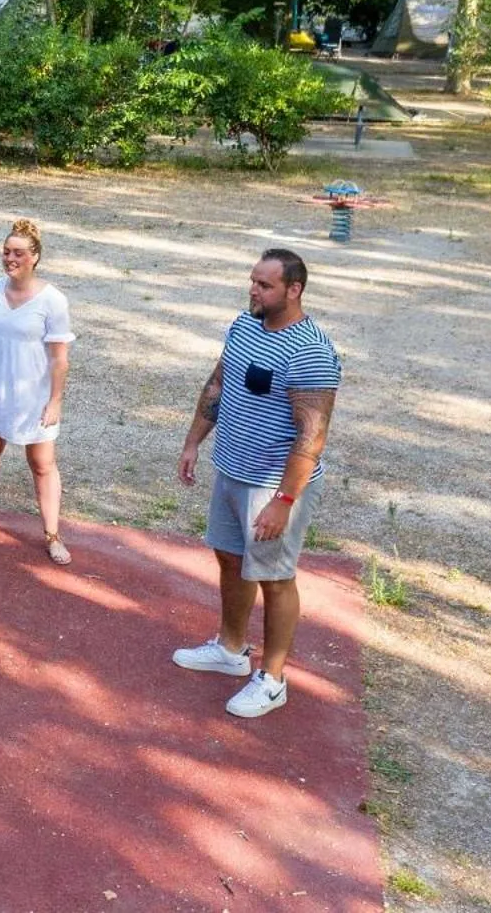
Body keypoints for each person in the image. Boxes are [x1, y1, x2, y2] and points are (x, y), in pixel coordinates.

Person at [174, 248, 341, 719]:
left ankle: (272, 679)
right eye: (252, 281)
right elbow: (218, 385)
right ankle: (230, 649)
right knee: (229, 559)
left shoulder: (310, 353)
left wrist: (285, 500)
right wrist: (193, 443)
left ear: (294, 289)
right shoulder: (244, 326)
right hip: (232, 470)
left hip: (272, 485)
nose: (254, 291)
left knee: (275, 577)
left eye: (265, 285)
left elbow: (313, 436)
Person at [0, 218, 76, 564]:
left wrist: (55, 401)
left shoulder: (53, 300)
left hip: (33, 392)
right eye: (6, 252)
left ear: (34, 257)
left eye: (18, 253)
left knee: (42, 463)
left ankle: (52, 533)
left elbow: (60, 358)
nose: (10, 258)